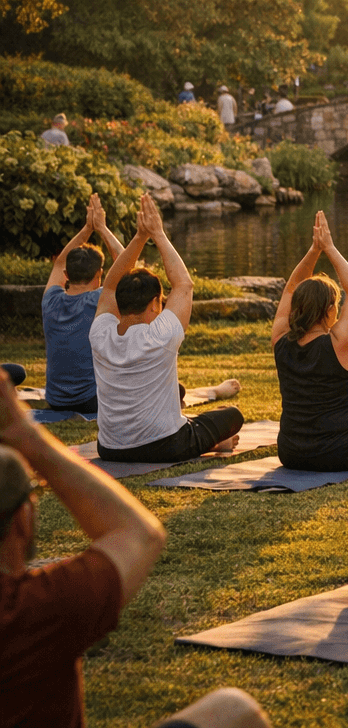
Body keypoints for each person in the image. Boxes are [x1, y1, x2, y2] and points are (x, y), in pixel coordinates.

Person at [0, 368, 276, 728]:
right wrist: (25, 435)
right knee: (234, 709)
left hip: (112, 443)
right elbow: (138, 533)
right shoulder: (32, 609)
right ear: (23, 519)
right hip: (165, 439)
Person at [90, 195, 243, 464]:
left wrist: (140, 238)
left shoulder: (99, 333)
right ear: (154, 304)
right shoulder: (160, 336)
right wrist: (158, 233)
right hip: (166, 446)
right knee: (232, 415)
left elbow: (111, 285)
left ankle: (207, 434)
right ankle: (214, 441)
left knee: (182, 401)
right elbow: (184, 284)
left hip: (111, 448)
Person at [271, 212, 348, 473]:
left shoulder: (280, 340)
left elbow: (291, 288)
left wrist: (315, 250)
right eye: (336, 305)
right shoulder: (338, 345)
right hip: (341, 454)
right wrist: (330, 248)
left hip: (291, 453)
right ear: (329, 310)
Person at [42, 194, 124, 414]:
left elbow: (59, 262)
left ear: (66, 275)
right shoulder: (100, 301)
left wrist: (87, 229)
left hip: (56, 400)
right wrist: (102, 228)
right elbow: (125, 262)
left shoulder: (50, 300)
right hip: (92, 400)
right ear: (100, 274)